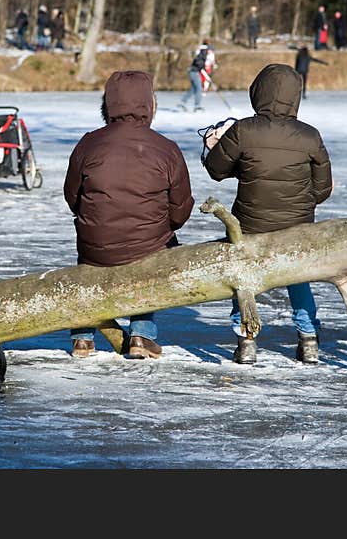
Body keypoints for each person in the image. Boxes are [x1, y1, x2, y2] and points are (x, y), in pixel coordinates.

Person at [203, 63, 333, 365]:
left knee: (244, 277)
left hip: (250, 225)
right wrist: (297, 204)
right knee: (298, 278)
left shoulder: (243, 129)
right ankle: (308, 340)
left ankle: (246, 340)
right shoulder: (310, 135)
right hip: (297, 227)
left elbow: (216, 170)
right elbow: (322, 190)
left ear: (258, 92)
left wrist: (214, 146)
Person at [63, 70, 194, 359]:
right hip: (147, 244)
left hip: (95, 245)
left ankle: (83, 338)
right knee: (156, 259)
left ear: (108, 105)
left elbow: (72, 196)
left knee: (88, 264)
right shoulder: (167, 149)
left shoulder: (88, 143)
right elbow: (181, 209)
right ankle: (141, 335)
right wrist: (162, 228)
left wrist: (92, 218)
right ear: (149, 105)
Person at [178, 42, 211, 111]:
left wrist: (207, 76)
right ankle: (197, 105)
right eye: (209, 50)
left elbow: (201, 67)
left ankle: (182, 102)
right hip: (194, 73)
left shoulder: (202, 55)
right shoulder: (202, 55)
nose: (210, 51)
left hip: (193, 72)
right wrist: (206, 76)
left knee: (193, 89)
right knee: (199, 89)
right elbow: (198, 65)